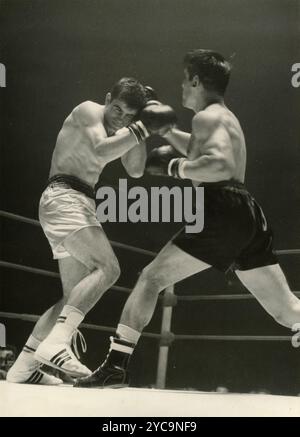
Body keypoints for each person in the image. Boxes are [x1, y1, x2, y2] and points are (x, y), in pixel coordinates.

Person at [75, 50, 300, 388]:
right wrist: (165, 131)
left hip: (221, 208)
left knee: (151, 278)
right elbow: (201, 149)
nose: (181, 86)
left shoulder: (206, 118)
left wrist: (173, 168)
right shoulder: (223, 117)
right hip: (247, 213)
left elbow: (219, 164)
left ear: (196, 81)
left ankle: (115, 365)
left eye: (184, 79)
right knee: (289, 313)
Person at [6, 78, 176, 385]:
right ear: (107, 98)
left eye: (129, 115)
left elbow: (135, 169)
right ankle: (56, 345)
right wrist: (139, 127)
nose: (120, 118)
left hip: (78, 201)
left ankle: (25, 368)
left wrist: (143, 126)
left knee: (71, 298)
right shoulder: (87, 111)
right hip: (64, 196)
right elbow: (99, 152)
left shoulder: (124, 126)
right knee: (108, 268)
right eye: (117, 109)